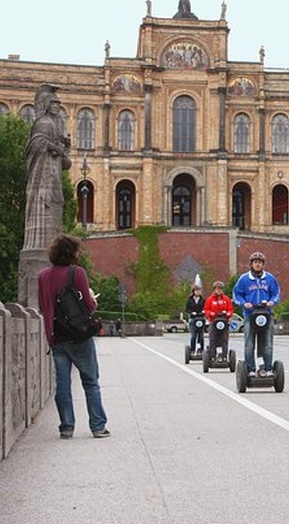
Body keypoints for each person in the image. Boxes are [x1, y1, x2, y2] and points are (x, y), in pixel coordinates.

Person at [37, 233, 110, 439]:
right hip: (79, 336)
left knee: (62, 384)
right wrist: (93, 301)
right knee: (90, 381)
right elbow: (87, 305)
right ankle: (97, 426)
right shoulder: (77, 273)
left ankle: (66, 427)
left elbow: (43, 306)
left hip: (56, 335)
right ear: (72, 253)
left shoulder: (43, 276)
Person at [24, 84, 70, 252]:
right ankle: (44, 248)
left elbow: (64, 161)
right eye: (53, 102)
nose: (57, 105)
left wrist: (64, 152)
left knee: (55, 208)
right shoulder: (43, 123)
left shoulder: (54, 126)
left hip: (53, 177)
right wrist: (56, 148)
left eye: (58, 103)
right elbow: (36, 144)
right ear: (45, 104)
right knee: (46, 207)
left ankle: (52, 249)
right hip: (44, 179)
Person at [233, 252, 281, 377]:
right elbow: (237, 294)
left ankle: (268, 368)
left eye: (260, 262)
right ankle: (250, 369)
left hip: (266, 314)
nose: (258, 264)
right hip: (250, 314)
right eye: (255, 262)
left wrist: (271, 302)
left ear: (263, 264)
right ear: (251, 264)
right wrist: (244, 303)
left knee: (267, 344)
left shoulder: (270, 278)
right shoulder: (244, 279)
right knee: (249, 344)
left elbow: (276, 293)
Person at [204, 281, 234, 359]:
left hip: (224, 322)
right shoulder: (210, 299)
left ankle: (224, 356)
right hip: (213, 321)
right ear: (214, 289)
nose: (219, 290)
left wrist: (228, 314)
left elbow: (230, 309)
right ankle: (213, 356)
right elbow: (206, 310)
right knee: (213, 339)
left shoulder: (226, 299)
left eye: (220, 289)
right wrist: (211, 314)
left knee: (224, 339)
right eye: (217, 289)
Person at [185, 284, 205, 353]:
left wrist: (203, 311)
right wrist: (191, 312)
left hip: (201, 318)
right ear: (193, 291)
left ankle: (201, 349)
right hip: (193, 319)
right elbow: (187, 309)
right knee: (193, 336)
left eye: (199, 290)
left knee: (201, 336)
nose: (198, 292)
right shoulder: (190, 299)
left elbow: (205, 307)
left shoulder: (202, 299)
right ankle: (192, 349)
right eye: (196, 290)